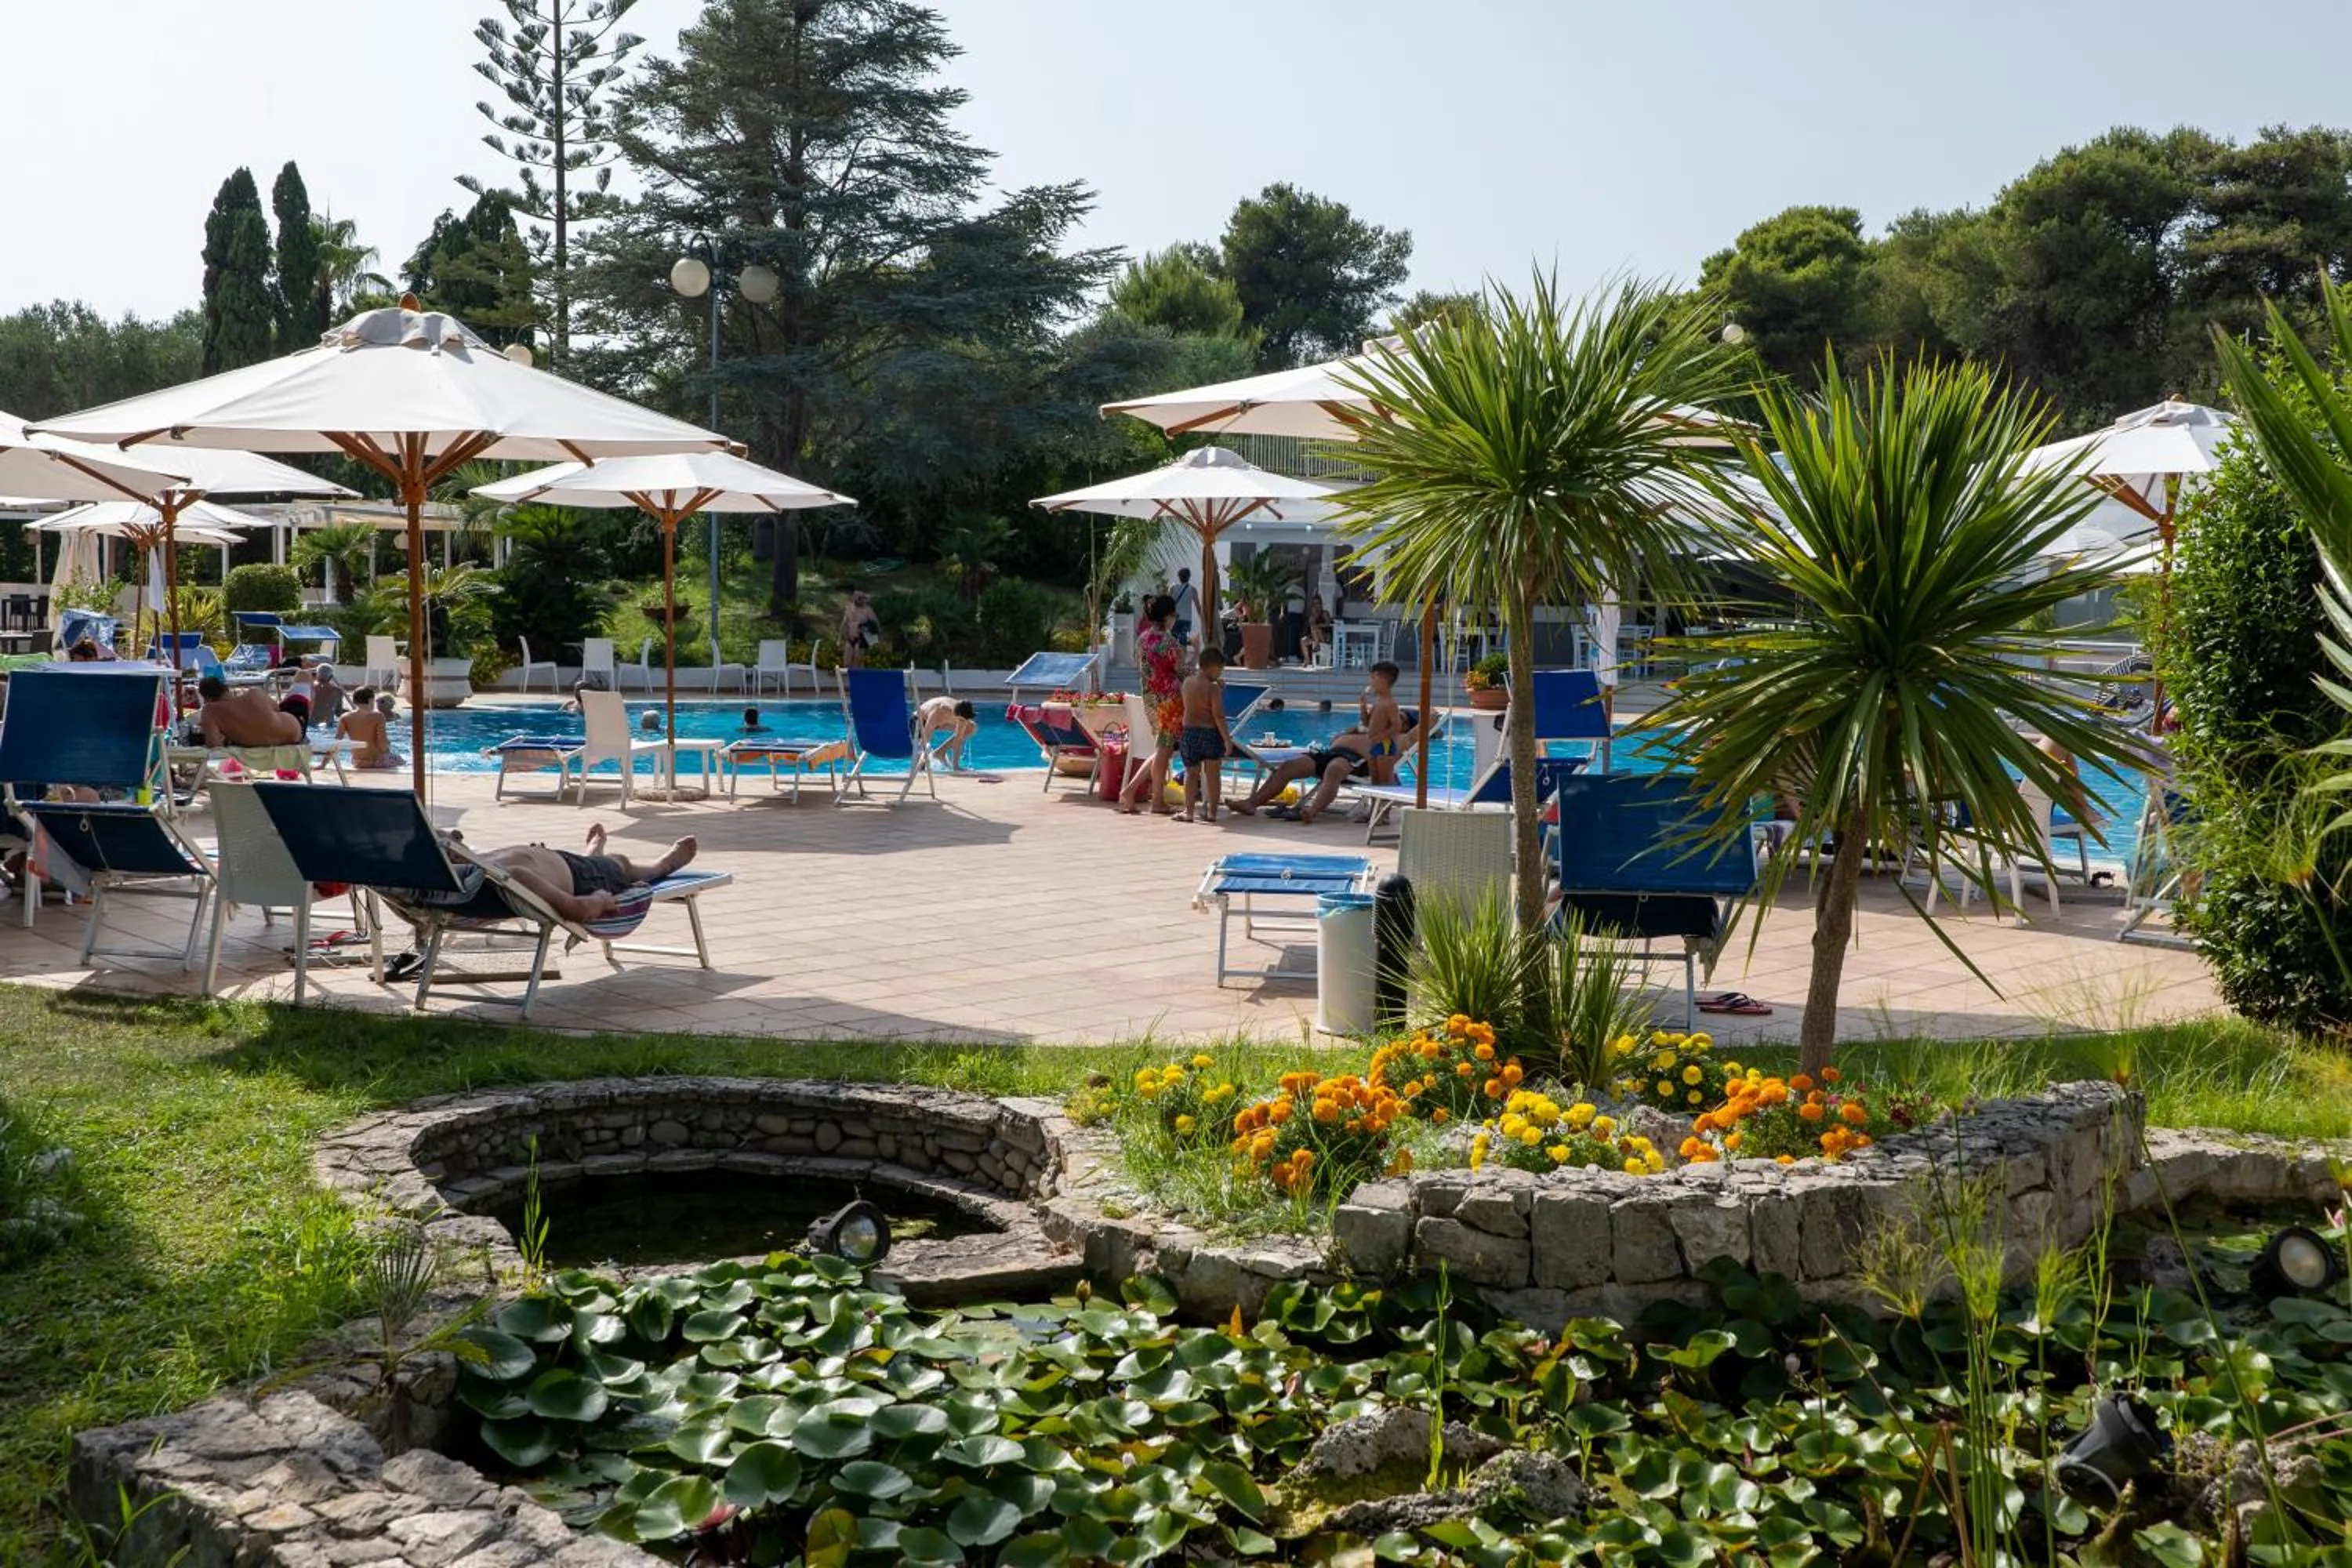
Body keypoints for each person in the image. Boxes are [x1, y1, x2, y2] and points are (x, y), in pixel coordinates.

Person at [434, 825, 699, 926]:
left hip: (563, 862)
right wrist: (601, 900)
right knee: (618, 863)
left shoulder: (461, 871)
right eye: (450, 840)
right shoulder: (511, 877)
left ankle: (592, 854)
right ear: (451, 855)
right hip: (583, 878)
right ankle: (662, 866)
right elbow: (578, 909)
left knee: (597, 860)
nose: (457, 837)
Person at [1118, 594, 1185, 815]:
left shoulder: (1142, 640)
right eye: (1174, 615)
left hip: (1151, 701)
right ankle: (1152, 800)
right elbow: (1183, 673)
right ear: (1167, 617)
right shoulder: (1170, 643)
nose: (1175, 619)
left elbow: (1143, 669)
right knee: (1163, 752)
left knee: (1161, 751)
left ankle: (1133, 792)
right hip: (1171, 702)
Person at [1175, 647, 1238, 822]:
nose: (1220, 674)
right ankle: (1212, 813)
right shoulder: (1213, 688)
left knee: (1191, 774)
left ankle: (1188, 812)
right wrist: (1227, 740)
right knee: (1212, 775)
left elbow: (1192, 704)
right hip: (1209, 734)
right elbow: (1218, 715)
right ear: (1213, 667)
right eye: (1220, 670)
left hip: (1189, 734)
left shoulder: (1187, 682)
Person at [196, 675, 302, 748]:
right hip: (293, 731)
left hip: (283, 734)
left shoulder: (210, 711)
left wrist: (227, 736)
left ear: (207, 699)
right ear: (226, 688)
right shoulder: (254, 693)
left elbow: (214, 744)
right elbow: (277, 708)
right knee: (303, 678)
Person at [336, 685, 405, 771]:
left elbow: (336, 743)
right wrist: (388, 748)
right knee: (403, 762)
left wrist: (323, 764)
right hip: (378, 761)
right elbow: (382, 745)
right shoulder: (378, 716)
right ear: (371, 700)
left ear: (354, 701)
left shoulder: (344, 717)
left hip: (358, 762)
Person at [916, 695, 979, 771]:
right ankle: (921, 763)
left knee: (971, 728)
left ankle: (940, 752)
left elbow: (958, 739)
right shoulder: (940, 710)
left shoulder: (962, 712)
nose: (962, 722)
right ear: (956, 714)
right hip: (919, 721)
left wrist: (956, 766)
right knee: (921, 764)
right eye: (961, 720)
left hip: (939, 723)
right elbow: (926, 735)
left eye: (963, 720)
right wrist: (921, 757)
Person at [840, 591, 880, 670]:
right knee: (847, 659)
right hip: (851, 637)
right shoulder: (850, 609)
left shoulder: (867, 610)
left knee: (858, 658)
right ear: (854, 598)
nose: (862, 600)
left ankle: (857, 674)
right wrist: (840, 637)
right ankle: (848, 675)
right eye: (859, 598)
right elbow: (844, 624)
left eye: (863, 598)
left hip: (863, 638)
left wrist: (865, 628)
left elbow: (875, 625)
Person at [1170, 568, 1200, 648]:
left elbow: (1169, 604)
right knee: (1183, 643)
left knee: (1173, 642)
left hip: (1175, 620)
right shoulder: (1192, 590)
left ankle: (1174, 659)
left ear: (1179, 577)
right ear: (1189, 577)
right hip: (1186, 620)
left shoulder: (1173, 589)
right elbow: (1197, 605)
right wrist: (1202, 617)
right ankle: (1183, 659)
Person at [1300, 593, 1332, 665]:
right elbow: (1311, 625)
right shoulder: (1312, 615)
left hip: (1324, 636)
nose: (1316, 605)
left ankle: (1317, 645)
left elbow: (1328, 624)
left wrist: (1319, 626)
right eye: (1314, 604)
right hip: (1314, 636)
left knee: (1315, 628)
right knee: (1303, 640)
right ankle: (1307, 659)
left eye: (1318, 603)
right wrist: (1315, 615)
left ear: (1321, 604)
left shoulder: (1324, 613)